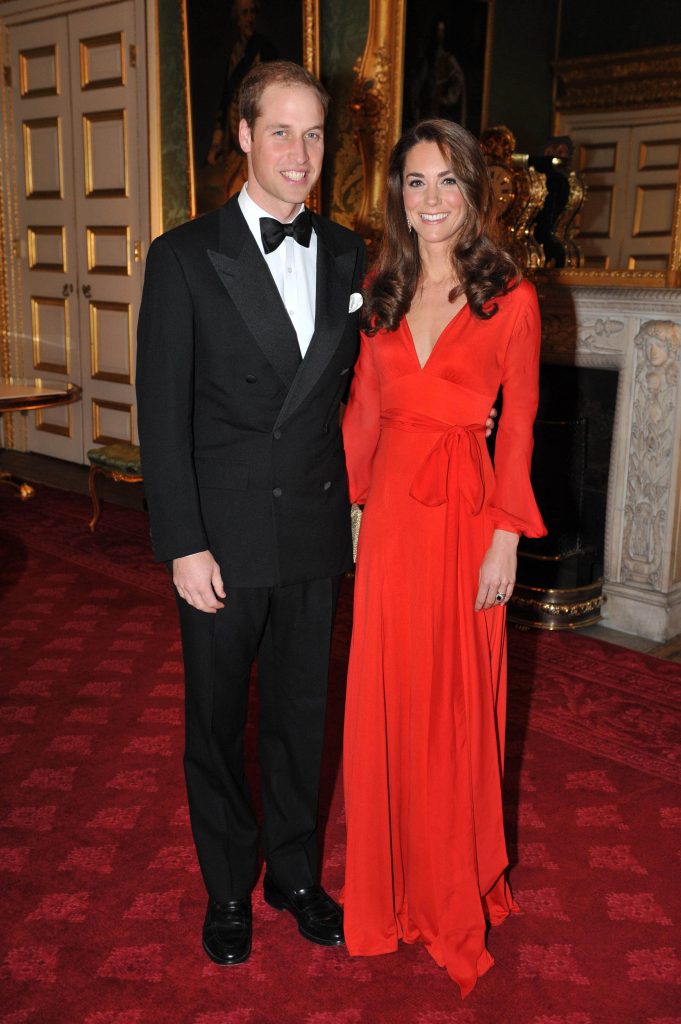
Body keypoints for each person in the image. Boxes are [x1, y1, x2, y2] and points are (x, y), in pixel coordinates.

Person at [136, 61, 366, 967]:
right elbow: (163, 415)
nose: (299, 153)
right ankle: (228, 885)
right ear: (241, 136)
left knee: (301, 716)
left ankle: (295, 875)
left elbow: (361, 393)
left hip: (311, 529)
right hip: (222, 538)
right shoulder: (185, 255)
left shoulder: (346, 252)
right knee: (217, 719)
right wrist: (182, 543)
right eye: (280, 131)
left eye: (313, 134)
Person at [341, 118, 547, 997]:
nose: (429, 200)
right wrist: (345, 511)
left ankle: (451, 887)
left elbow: (522, 424)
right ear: (398, 195)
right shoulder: (378, 288)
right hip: (388, 519)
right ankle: (388, 892)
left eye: (446, 182)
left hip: (466, 519)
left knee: (455, 703)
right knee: (387, 697)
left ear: (473, 192)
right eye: (415, 183)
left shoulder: (513, 299)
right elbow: (360, 409)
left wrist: (505, 532)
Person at [206, 0, 278, 200]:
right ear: (237, 19)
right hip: (234, 128)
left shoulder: (265, 48)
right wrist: (217, 141)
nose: (249, 18)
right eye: (244, 14)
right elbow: (225, 97)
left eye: (252, 13)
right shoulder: (234, 53)